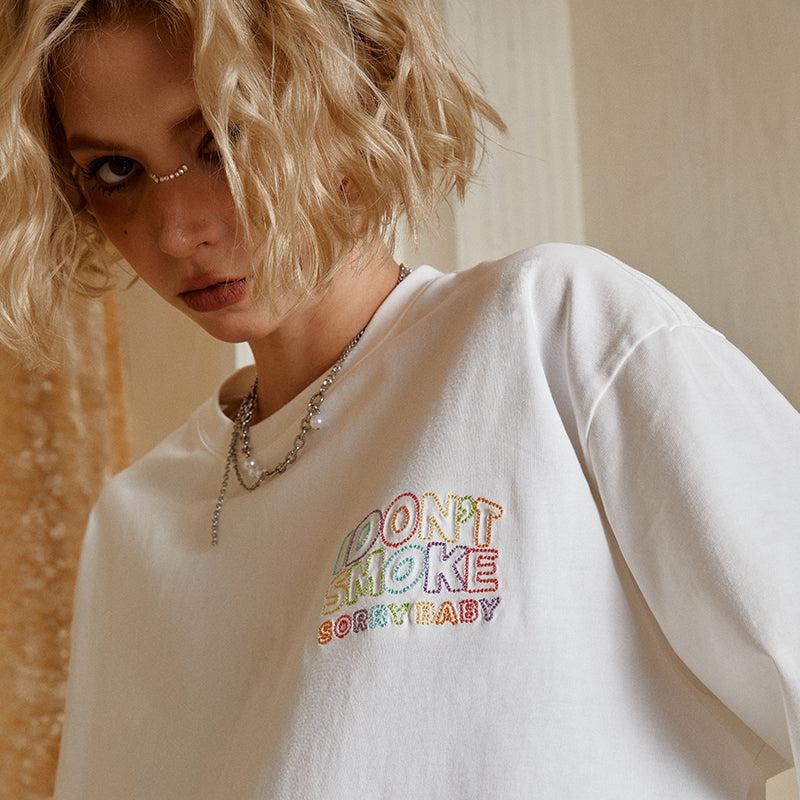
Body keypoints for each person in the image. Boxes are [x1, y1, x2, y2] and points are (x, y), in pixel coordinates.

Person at [0, 1, 797, 798]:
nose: (176, 230)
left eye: (224, 139)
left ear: (354, 94)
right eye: (115, 170)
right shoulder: (137, 521)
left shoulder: (554, 331)